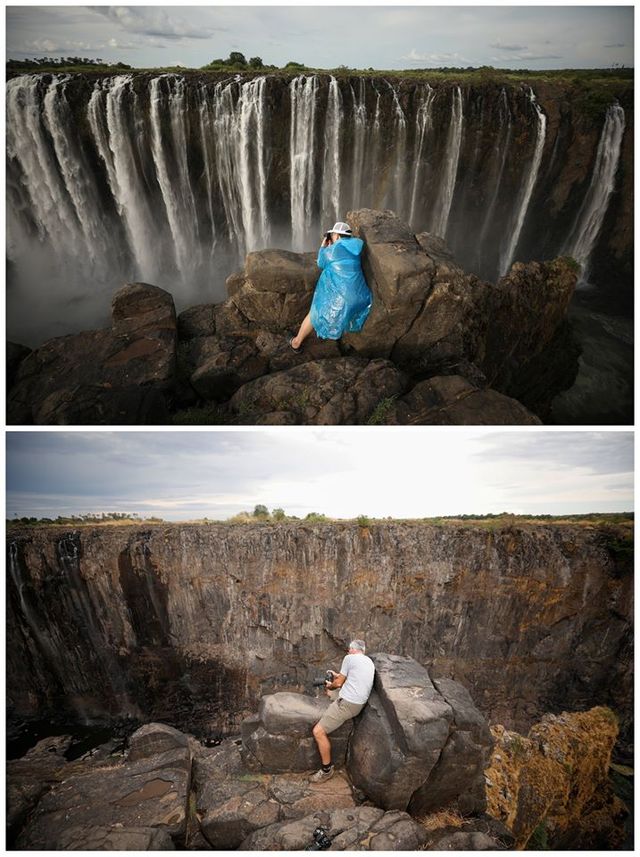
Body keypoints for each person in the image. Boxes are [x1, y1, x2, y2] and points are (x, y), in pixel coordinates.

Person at [289, 222, 372, 352]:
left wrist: (323, 247)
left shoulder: (331, 251)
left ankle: (296, 342)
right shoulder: (356, 248)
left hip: (343, 300)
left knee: (315, 313)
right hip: (362, 298)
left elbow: (321, 263)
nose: (331, 238)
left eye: (332, 235)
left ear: (337, 236)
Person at [309, 639, 375, 783]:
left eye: (349, 650)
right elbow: (349, 678)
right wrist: (336, 676)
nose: (348, 652)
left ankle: (326, 770)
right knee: (330, 692)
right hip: (359, 703)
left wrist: (331, 685)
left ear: (352, 649)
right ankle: (332, 697)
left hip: (347, 704)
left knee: (318, 731)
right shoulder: (368, 661)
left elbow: (338, 683)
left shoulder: (349, 658)